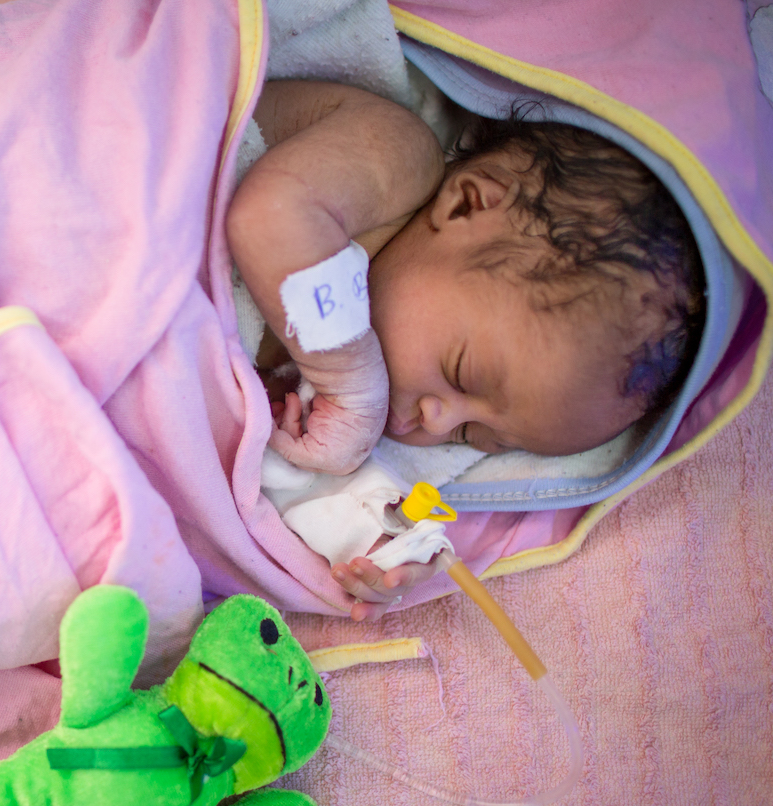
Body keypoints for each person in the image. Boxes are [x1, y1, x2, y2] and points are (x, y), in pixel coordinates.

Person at [227, 81, 705, 620]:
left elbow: (265, 483)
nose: (435, 419)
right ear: (466, 204)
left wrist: (381, 545)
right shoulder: (394, 158)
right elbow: (268, 216)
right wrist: (350, 384)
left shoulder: (310, 396)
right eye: (461, 372)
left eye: (470, 436)